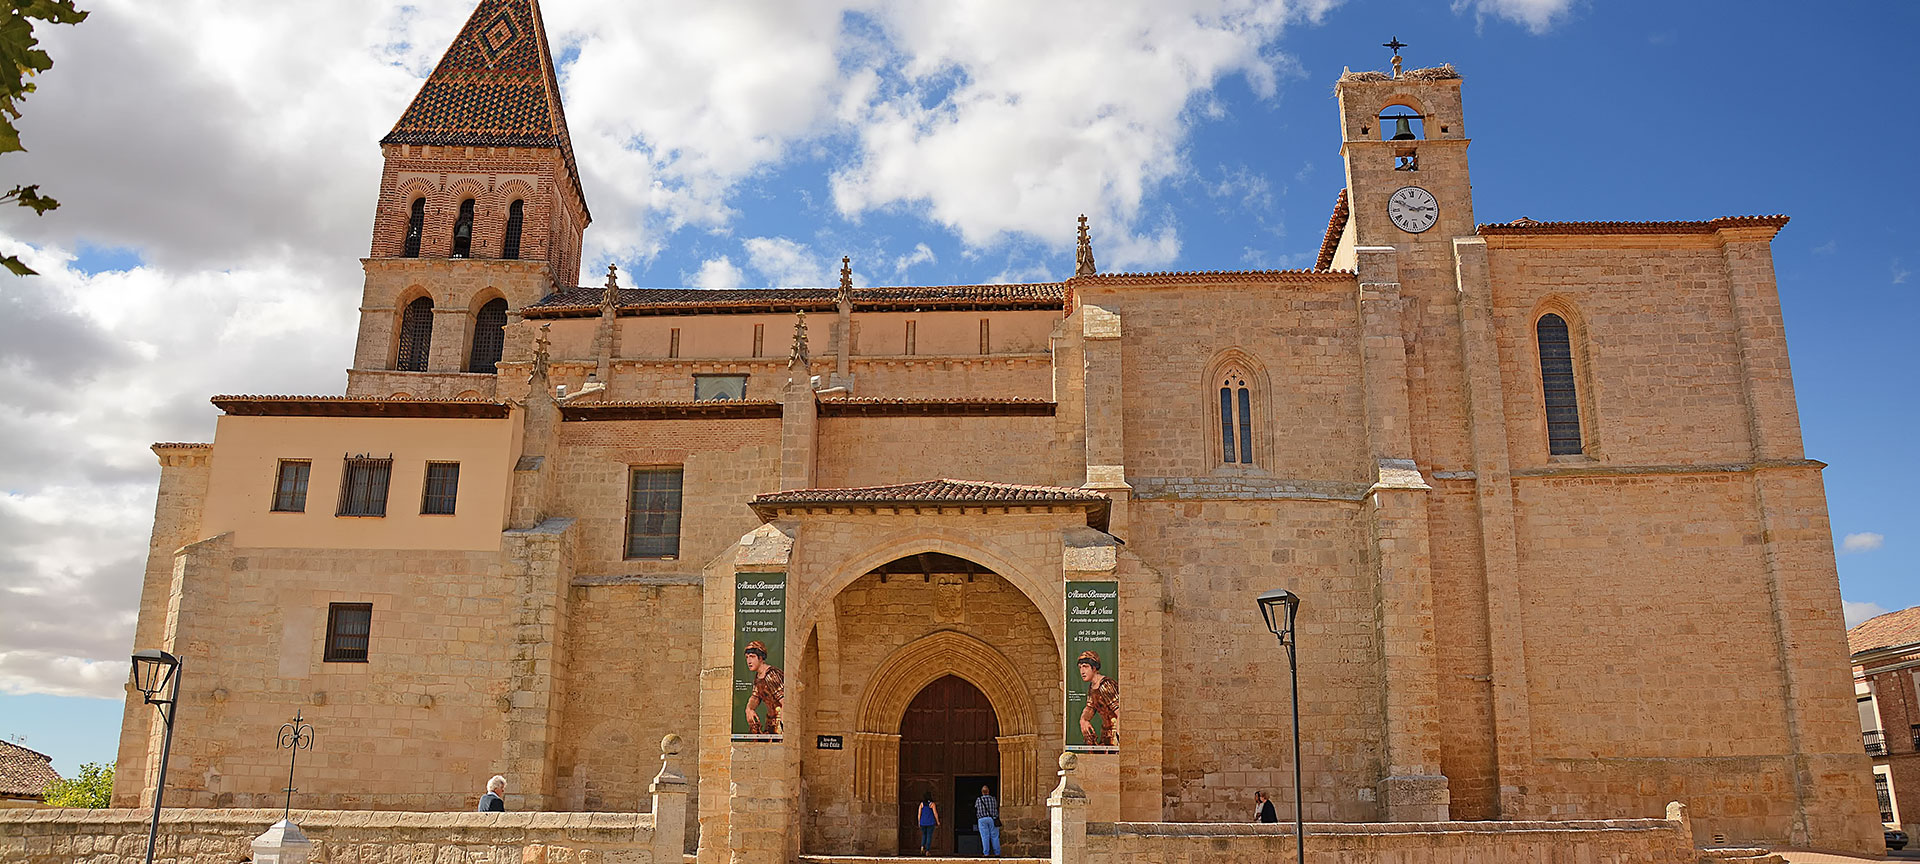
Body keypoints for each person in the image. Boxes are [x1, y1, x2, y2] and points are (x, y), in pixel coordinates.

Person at [1076, 650, 1119, 746]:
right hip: (1105, 734)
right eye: (1080, 667)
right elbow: (1089, 708)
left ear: (1094, 668)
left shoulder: (1105, 685)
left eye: (1085, 667)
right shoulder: (1092, 686)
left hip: (1115, 735)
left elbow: (1120, 712)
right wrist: (1083, 720)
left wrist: (1119, 737)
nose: (1082, 671)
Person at [742, 640, 784, 735]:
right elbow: (755, 697)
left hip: (779, 724)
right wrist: (749, 709)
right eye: (747, 657)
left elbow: (784, 701)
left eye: (752, 657)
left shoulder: (771, 674)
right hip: (770, 722)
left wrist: (784, 725)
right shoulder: (758, 677)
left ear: (760, 658)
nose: (749, 661)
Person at [974, 783, 1001, 856]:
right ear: (988, 791)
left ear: (982, 792)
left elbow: (976, 807)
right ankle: (997, 853)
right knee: (995, 836)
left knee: (985, 836)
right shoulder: (993, 799)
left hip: (982, 819)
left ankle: (986, 853)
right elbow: (996, 806)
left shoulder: (979, 799)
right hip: (992, 819)